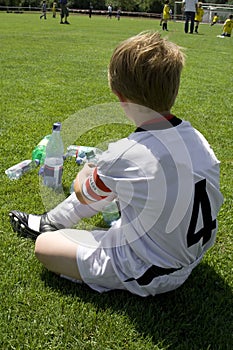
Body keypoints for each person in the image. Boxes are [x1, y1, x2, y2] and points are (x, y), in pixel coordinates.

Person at [9, 31, 223, 297]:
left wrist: (91, 165)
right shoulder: (197, 138)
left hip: (152, 270)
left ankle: (50, 229)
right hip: (191, 254)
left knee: (45, 246)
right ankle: (51, 220)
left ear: (119, 95)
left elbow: (82, 194)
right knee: (117, 190)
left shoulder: (126, 154)